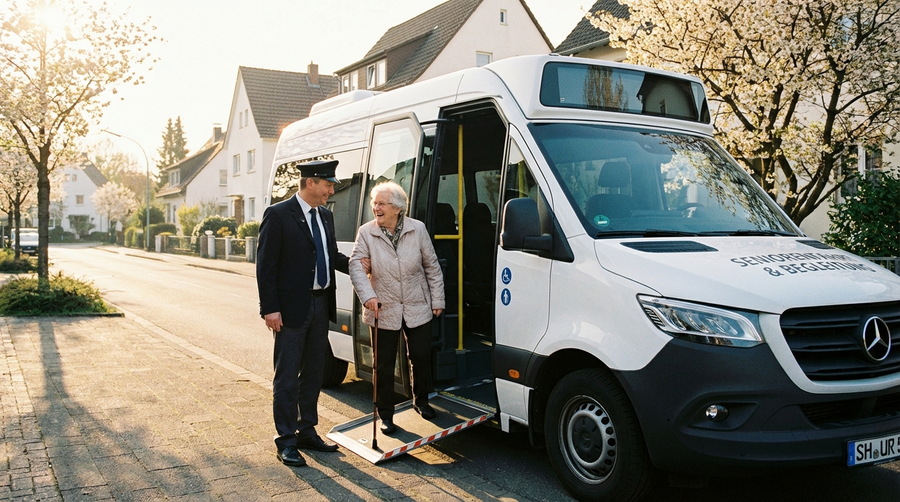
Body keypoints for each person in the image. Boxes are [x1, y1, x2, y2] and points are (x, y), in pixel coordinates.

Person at [256, 159, 349, 467]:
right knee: (287, 377)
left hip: (321, 304)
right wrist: (270, 308)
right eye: (327, 184)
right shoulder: (279, 215)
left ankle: (306, 430)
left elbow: (331, 255)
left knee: (313, 373)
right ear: (311, 183)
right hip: (291, 308)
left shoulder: (325, 216)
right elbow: (266, 266)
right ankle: (286, 440)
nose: (331, 190)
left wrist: (363, 266)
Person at [349, 181, 445, 434]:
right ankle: (385, 415)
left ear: (398, 207)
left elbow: (431, 266)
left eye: (381, 203)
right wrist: (368, 296)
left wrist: (438, 300)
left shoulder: (418, 229)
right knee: (383, 364)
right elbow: (356, 267)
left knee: (421, 357)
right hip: (383, 306)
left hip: (417, 304)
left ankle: (421, 401)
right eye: (374, 203)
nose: (376, 208)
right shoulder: (367, 232)